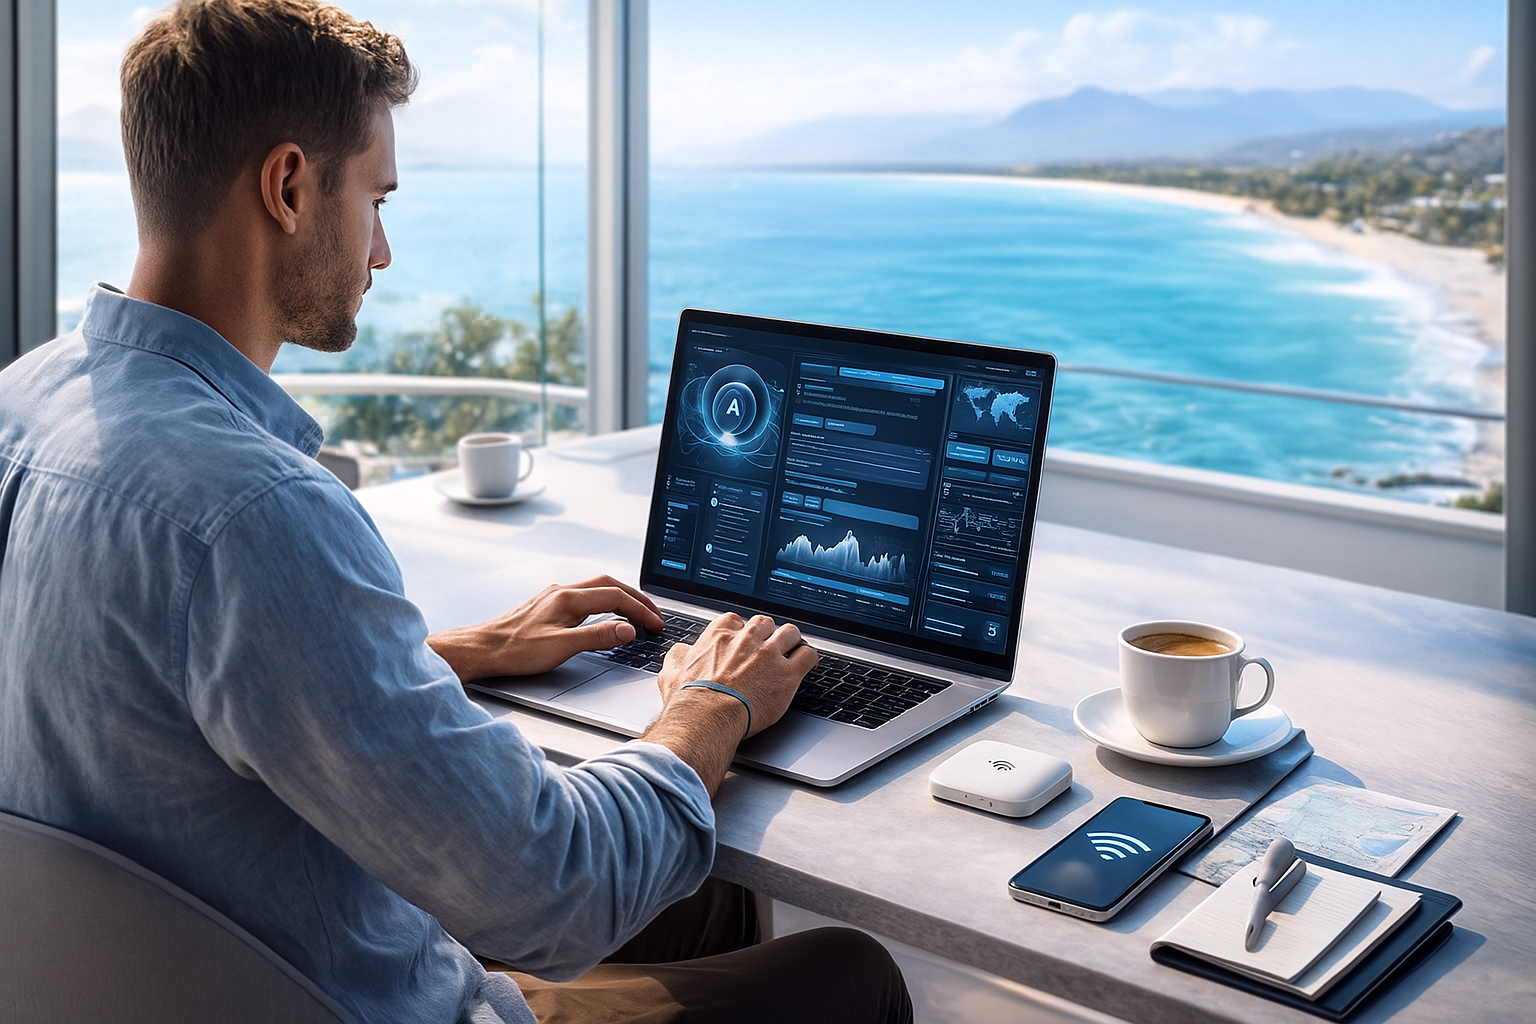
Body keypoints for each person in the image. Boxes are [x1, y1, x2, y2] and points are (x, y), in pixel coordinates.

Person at [0, 2, 912, 1022]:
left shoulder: (21, 407)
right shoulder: (255, 514)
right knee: (850, 968)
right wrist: (711, 704)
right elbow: (557, 887)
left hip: (144, 974)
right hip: (365, 995)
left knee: (704, 889)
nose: (381, 252)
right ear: (290, 187)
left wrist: (454, 651)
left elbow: (153, 680)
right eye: (376, 199)